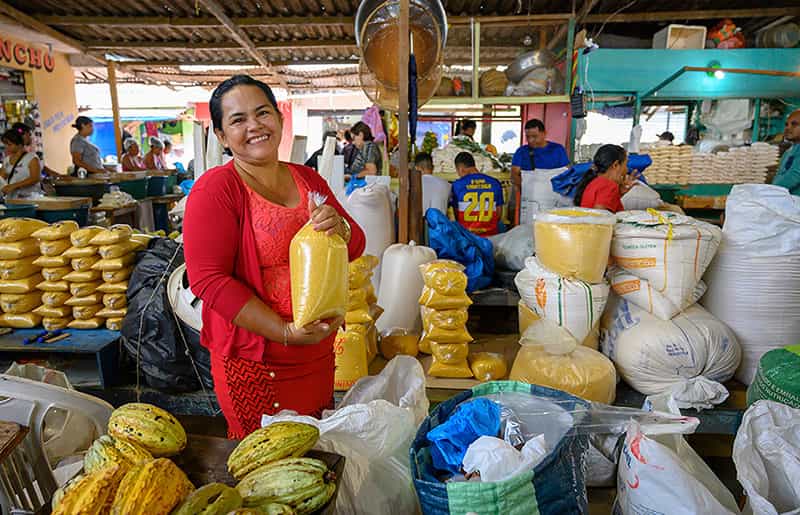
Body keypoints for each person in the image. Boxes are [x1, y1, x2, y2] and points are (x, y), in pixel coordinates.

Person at [183, 75, 365, 439]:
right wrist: (283, 331)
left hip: (314, 352)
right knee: (263, 468)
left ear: (280, 119)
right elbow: (208, 279)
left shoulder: (307, 179)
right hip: (255, 361)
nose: (254, 126)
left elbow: (355, 243)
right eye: (237, 120)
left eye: (262, 113)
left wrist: (339, 228)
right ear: (221, 136)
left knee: (312, 458)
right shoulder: (217, 188)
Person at [450, 152, 504, 236]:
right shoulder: (495, 183)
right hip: (491, 237)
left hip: (468, 238)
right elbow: (499, 214)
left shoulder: (457, 185)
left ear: (460, 169)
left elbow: (457, 216)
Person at [573, 144, 634, 213]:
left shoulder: (595, 181)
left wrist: (619, 193)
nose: (627, 170)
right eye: (625, 165)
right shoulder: (609, 185)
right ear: (615, 165)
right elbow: (600, 216)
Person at [510, 118, 570, 188]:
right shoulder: (521, 151)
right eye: (527, 137)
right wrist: (526, 188)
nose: (530, 140)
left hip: (553, 193)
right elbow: (514, 175)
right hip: (529, 195)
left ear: (544, 133)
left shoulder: (558, 150)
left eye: (534, 136)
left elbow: (566, 173)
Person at [1, 129, 43, 199]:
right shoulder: (7, 160)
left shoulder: (32, 158)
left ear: (19, 144)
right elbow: (2, 178)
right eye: (5, 144)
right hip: (12, 199)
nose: (6, 147)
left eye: (9, 144)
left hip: (30, 199)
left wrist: (14, 186)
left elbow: (35, 178)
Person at [773, 109, 800, 195]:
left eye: (794, 124)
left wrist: (770, 190)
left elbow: (794, 176)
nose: (788, 128)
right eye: (786, 124)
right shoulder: (790, 150)